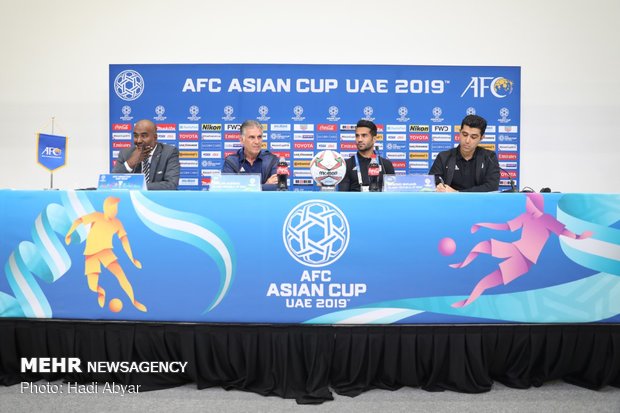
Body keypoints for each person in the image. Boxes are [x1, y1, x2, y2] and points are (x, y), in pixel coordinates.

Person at [448, 193, 592, 308]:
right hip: (514, 248)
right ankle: (462, 264)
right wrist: (482, 224)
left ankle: (466, 303)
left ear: (534, 204)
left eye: (528, 201)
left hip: (524, 261)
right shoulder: (525, 216)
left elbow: (563, 231)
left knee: (485, 282)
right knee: (481, 246)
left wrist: (579, 237)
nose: (526, 204)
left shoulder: (547, 219)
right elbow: (505, 226)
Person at [65, 196, 147, 312]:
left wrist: (132, 259)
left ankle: (134, 301)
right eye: (113, 208)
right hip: (91, 254)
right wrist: (69, 234)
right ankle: (101, 292)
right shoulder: (96, 215)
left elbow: (125, 241)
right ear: (106, 208)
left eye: (116, 208)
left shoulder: (117, 223)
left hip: (105, 252)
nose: (115, 211)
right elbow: (79, 220)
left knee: (121, 276)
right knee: (92, 286)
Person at [429, 114, 499, 192]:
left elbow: (492, 186)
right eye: (464, 135)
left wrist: (457, 193)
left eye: (473, 137)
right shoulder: (443, 157)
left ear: (481, 138)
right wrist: (439, 187)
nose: (467, 141)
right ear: (460, 133)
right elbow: (432, 182)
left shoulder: (489, 157)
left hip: (478, 203)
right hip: (449, 203)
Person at [112, 119, 180, 190]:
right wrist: (130, 163)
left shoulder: (169, 152)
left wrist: (138, 186)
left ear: (155, 137)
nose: (138, 140)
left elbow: (171, 184)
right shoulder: (125, 153)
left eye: (143, 136)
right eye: (135, 136)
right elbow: (113, 182)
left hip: (158, 199)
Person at [338, 120, 395, 191]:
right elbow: (343, 197)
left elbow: (392, 195)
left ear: (374, 139)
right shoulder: (347, 165)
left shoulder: (386, 165)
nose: (359, 139)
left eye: (364, 135)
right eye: (357, 136)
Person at [222, 119, 279, 190]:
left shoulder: (272, 160)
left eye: (259, 137)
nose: (257, 141)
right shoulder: (231, 162)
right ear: (242, 140)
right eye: (252, 137)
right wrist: (265, 185)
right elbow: (228, 189)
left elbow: (277, 187)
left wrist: (244, 188)